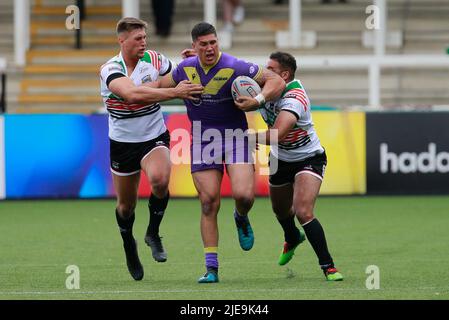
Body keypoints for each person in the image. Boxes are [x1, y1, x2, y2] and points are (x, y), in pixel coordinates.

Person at [159, 22, 285, 283]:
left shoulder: (236, 66)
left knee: (244, 195)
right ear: (194, 46)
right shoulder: (184, 69)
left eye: (213, 42)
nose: (209, 48)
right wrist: (173, 91)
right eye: (203, 44)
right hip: (203, 140)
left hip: (236, 138)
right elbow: (156, 86)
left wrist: (257, 100)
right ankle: (211, 268)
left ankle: (241, 216)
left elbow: (275, 81)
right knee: (208, 203)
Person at [99, 17, 203, 281]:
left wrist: (190, 63)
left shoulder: (155, 59)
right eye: (137, 39)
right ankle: (128, 245)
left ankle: (153, 232)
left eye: (145, 37)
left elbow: (175, 75)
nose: (143, 42)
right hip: (122, 143)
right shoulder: (111, 68)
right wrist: (172, 91)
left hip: (153, 136)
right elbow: (132, 95)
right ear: (122, 41)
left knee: (159, 179)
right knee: (126, 206)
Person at [235, 51, 343, 281]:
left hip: (308, 158)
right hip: (278, 159)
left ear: (284, 75)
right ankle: (292, 237)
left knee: (303, 210)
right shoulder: (264, 89)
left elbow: (277, 134)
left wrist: (246, 138)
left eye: (271, 70)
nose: (265, 73)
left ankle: (328, 266)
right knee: (281, 211)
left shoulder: (295, 97)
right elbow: (231, 72)